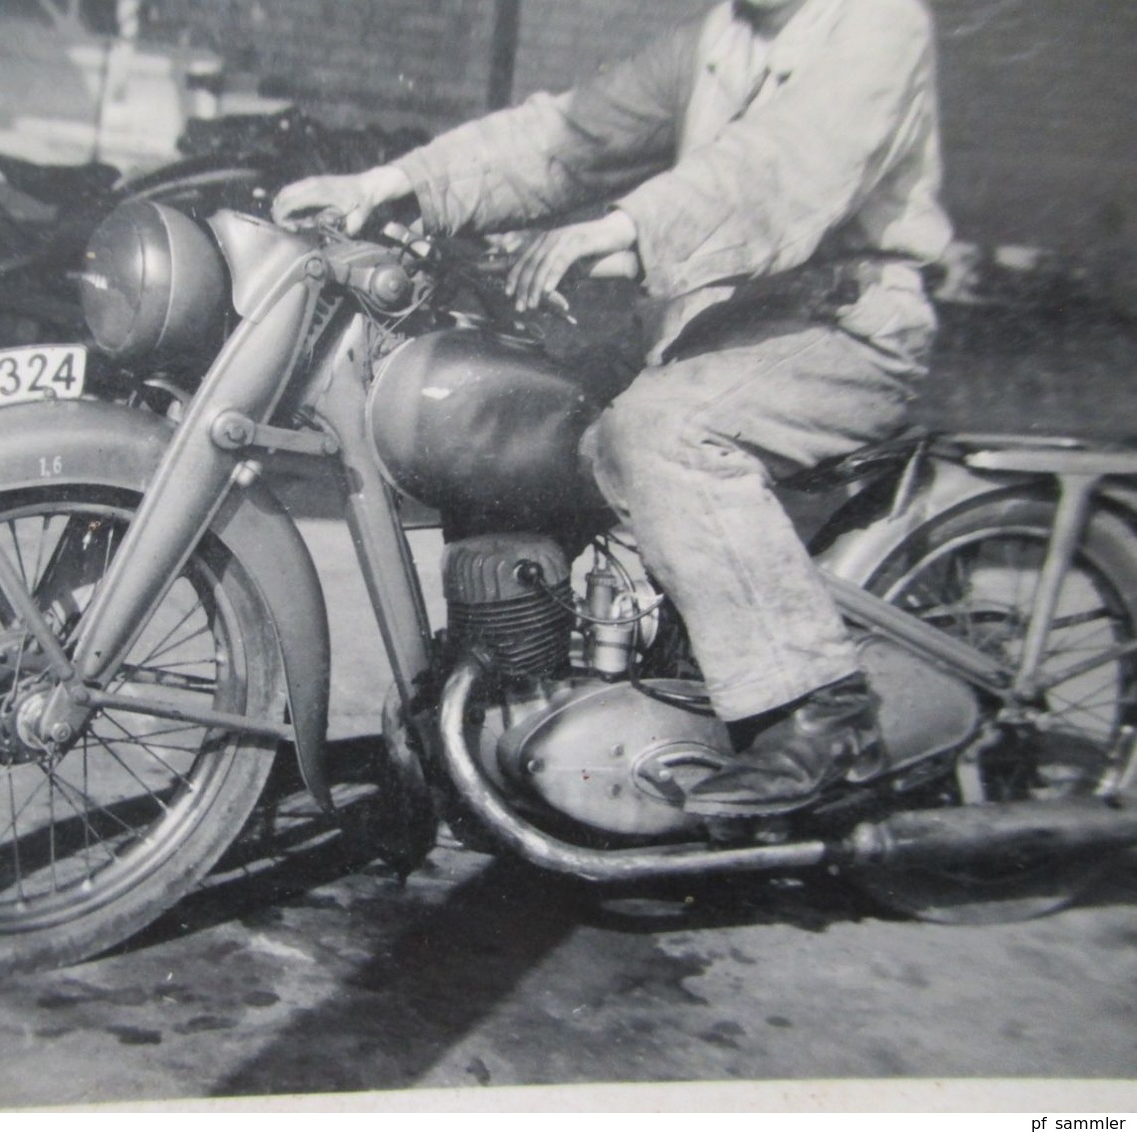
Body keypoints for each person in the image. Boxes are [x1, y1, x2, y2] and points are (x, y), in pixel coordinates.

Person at [272, 0, 953, 817]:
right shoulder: (724, 36)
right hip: (722, 321)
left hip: (843, 322)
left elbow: (783, 166)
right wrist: (396, 185)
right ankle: (521, 674)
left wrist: (629, 229)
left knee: (658, 434)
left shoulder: (877, 23)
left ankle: (819, 715)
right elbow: (571, 135)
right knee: (513, 413)